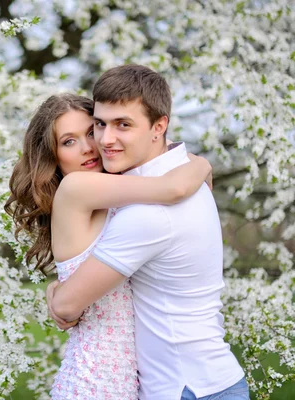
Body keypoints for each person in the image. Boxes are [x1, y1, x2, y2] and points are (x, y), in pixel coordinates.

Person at [47, 65, 248, 400]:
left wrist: (56, 293)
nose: (105, 140)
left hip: (188, 388)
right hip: (203, 381)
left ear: (159, 126)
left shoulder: (148, 215)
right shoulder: (176, 177)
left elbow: (67, 307)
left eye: (123, 125)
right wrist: (200, 163)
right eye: (101, 123)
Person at [5, 93, 212, 399]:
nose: (88, 147)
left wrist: (58, 290)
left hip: (128, 382)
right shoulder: (78, 187)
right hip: (94, 382)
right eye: (69, 141)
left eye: (91, 132)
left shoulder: (114, 194)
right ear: (53, 155)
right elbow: (175, 187)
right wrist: (202, 162)